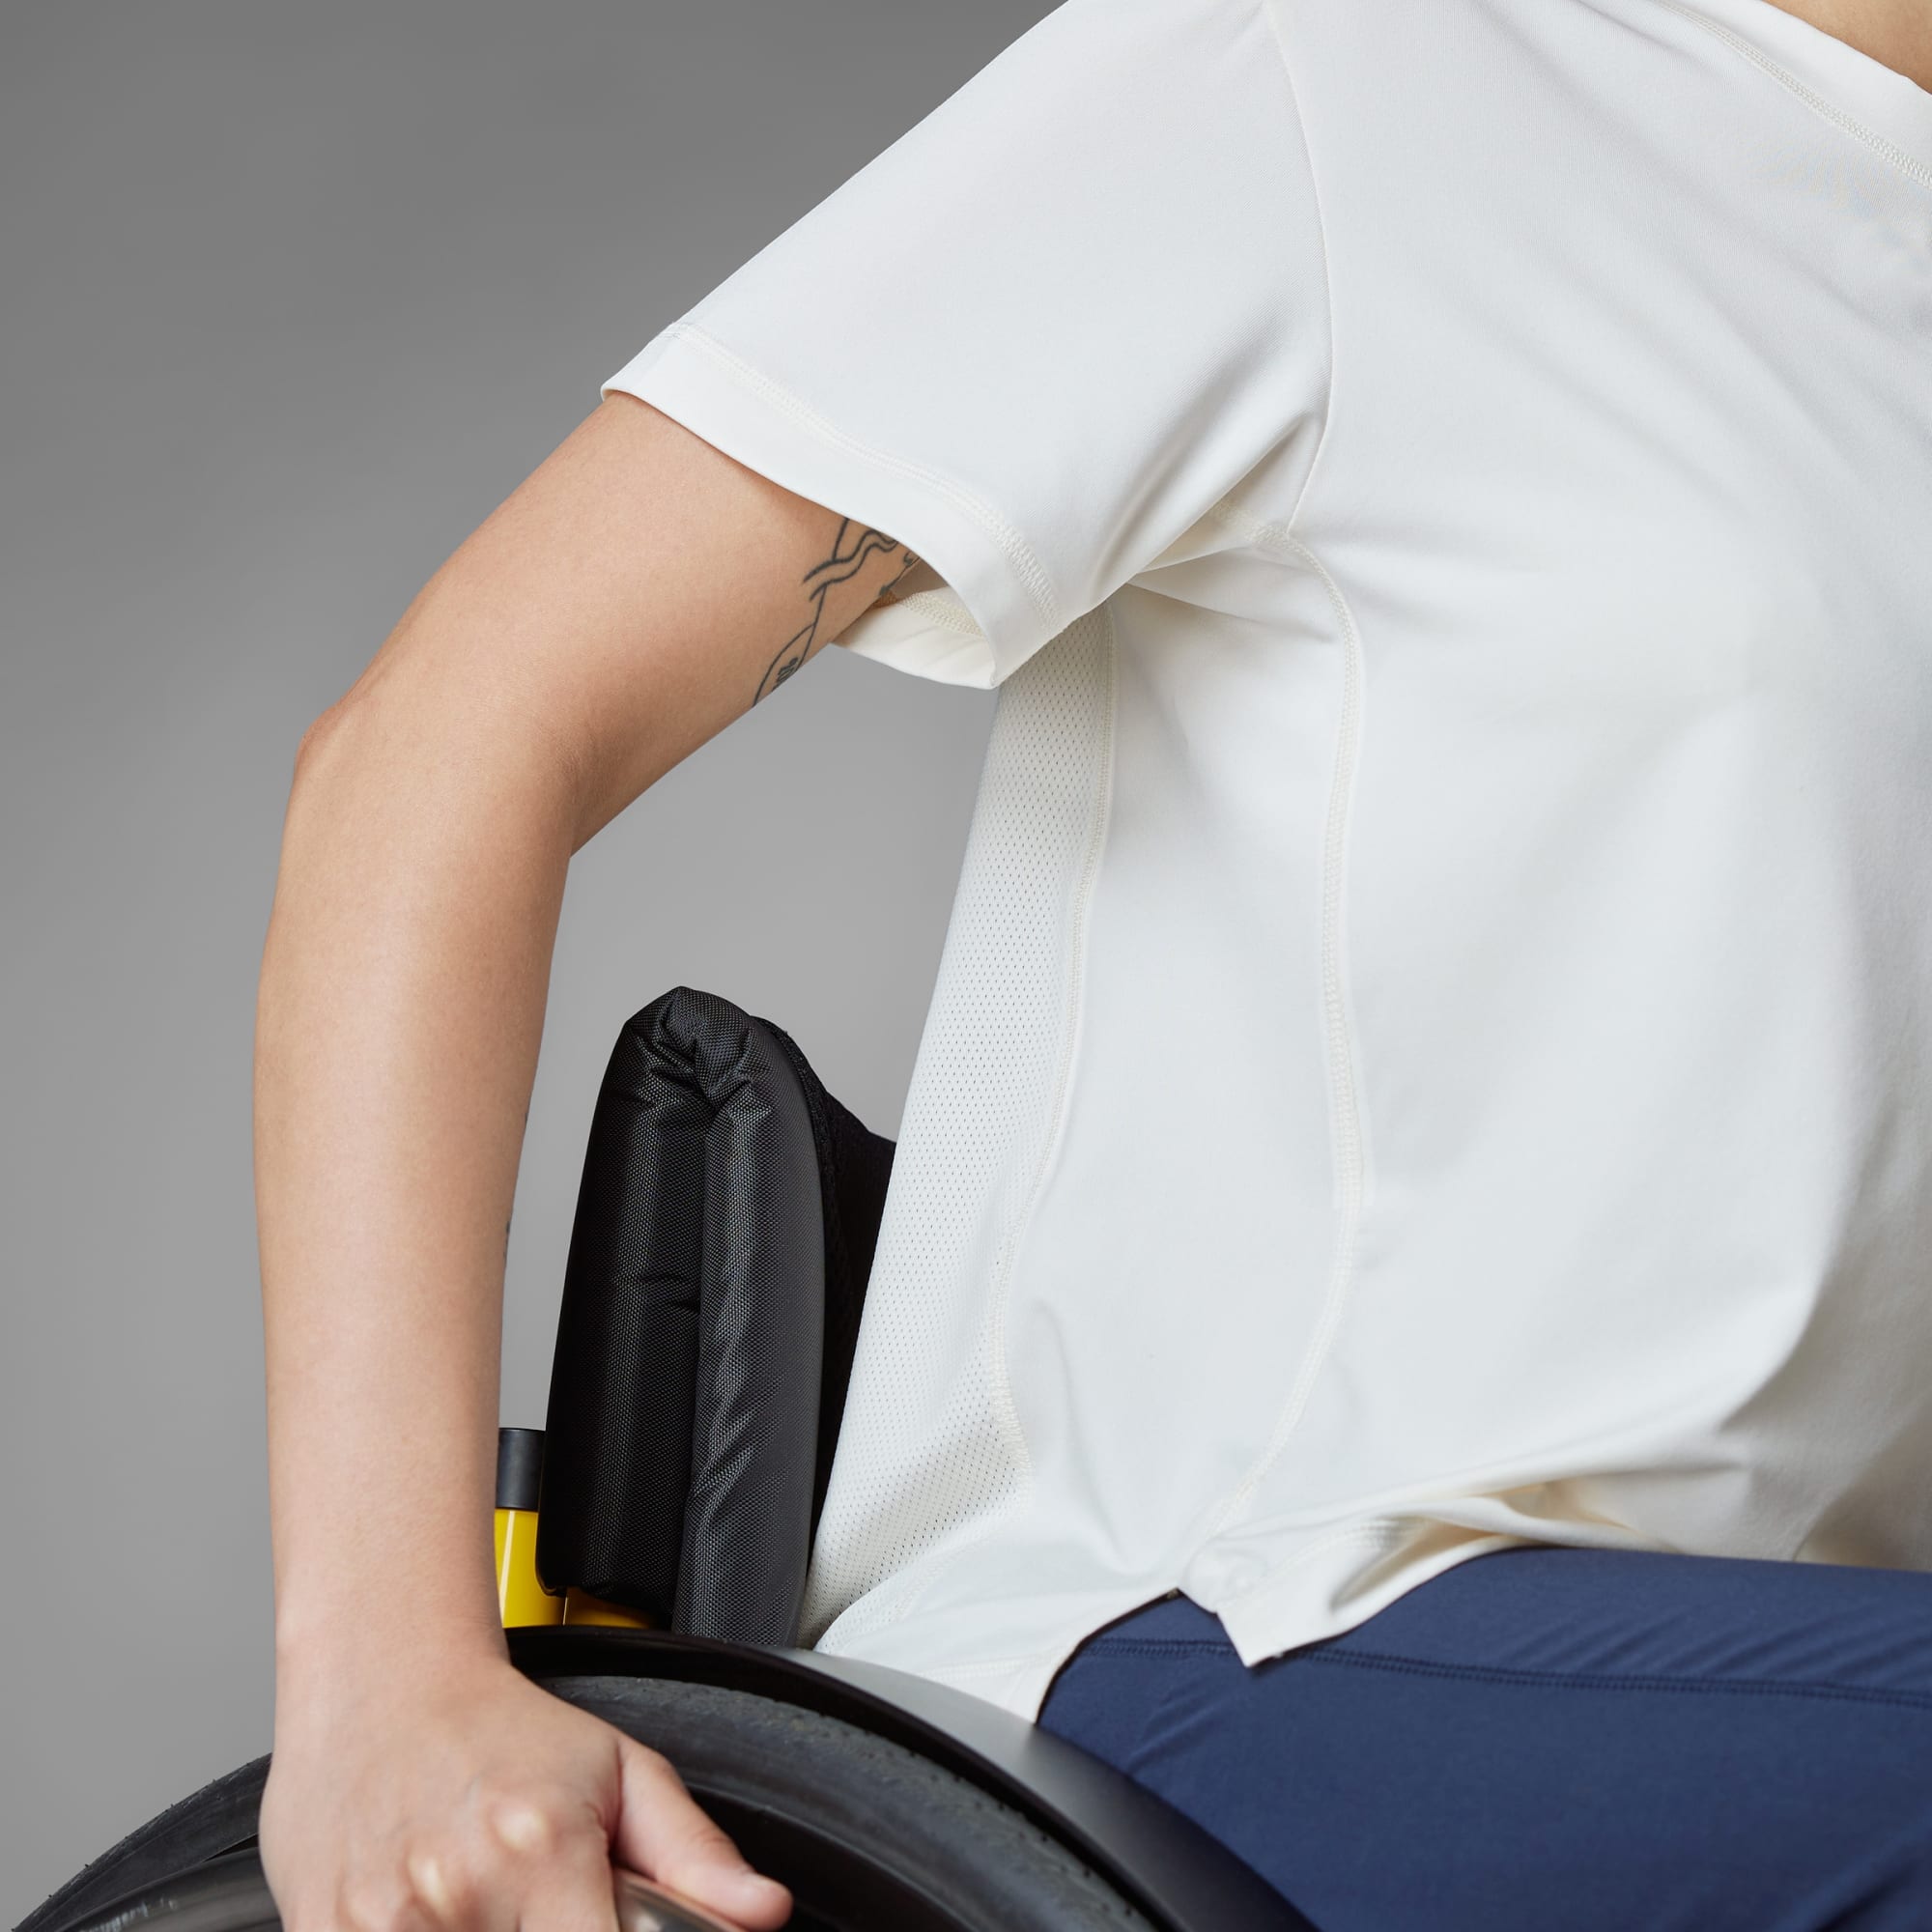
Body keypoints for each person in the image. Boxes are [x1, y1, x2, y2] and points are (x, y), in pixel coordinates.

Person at [254, 0, 1932, 1927]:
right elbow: (443, 742)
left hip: (1782, 1696)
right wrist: (384, 1681)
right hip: (1219, 1647)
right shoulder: (1330, 75)